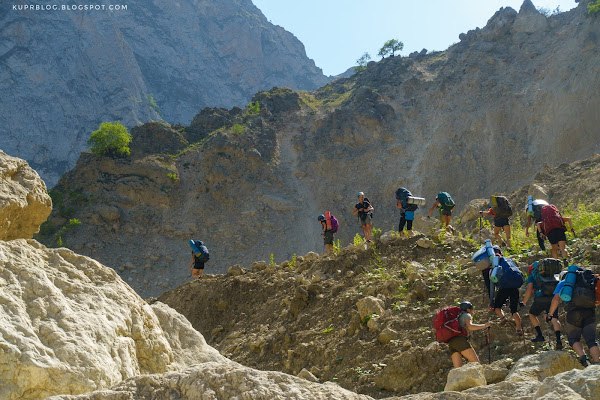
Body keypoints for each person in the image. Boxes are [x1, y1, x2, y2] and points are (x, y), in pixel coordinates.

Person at [549, 270, 600, 366]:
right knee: (591, 339)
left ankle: (584, 359)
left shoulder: (564, 283)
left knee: (573, 338)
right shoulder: (586, 281)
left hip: (573, 311)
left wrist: (550, 314)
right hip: (589, 310)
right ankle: (597, 363)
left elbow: (556, 299)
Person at [522, 263, 563, 348]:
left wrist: (524, 302)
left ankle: (540, 335)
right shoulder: (552, 274)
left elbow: (529, 289)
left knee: (532, 314)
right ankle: (558, 340)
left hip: (540, 299)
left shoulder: (532, 276)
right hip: (553, 298)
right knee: (554, 318)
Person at [448, 301, 492, 368]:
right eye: (472, 310)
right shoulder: (466, 315)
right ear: (468, 309)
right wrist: (485, 325)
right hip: (460, 341)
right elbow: (470, 326)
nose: (473, 312)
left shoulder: (457, 317)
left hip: (451, 342)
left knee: (458, 369)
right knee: (476, 364)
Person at [491, 250, 524, 336]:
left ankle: (503, 318)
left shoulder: (496, 262)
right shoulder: (509, 260)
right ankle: (519, 329)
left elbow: (493, 280)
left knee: (497, 306)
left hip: (505, 287)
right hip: (515, 286)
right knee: (514, 310)